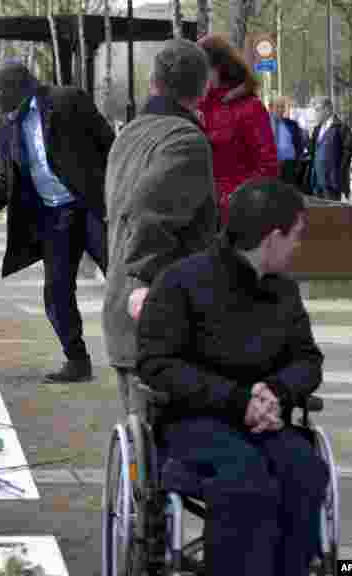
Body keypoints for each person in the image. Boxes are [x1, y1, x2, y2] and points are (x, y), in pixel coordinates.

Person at [136, 178, 328, 576]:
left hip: (266, 421)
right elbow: (157, 364)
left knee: (305, 471)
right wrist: (239, 399)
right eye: (296, 236)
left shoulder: (284, 291)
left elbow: (308, 360)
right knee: (246, 480)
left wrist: (275, 393)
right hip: (194, 420)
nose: (297, 246)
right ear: (273, 238)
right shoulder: (179, 282)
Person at [0, 58, 114, 383]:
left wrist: (116, 197)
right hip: (54, 215)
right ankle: (77, 360)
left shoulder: (67, 102)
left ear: (20, 86)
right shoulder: (7, 126)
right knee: (56, 292)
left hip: (91, 207)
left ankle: (148, 356)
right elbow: (8, 179)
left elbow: (110, 146)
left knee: (123, 279)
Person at [103, 39, 219, 412]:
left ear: (153, 83)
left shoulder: (129, 135)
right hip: (159, 321)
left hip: (127, 311)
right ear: (204, 89)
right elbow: (148, 216)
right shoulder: (185, 140)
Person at [197, 34, 278, 225]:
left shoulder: (250, 107)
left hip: (236, 216)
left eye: (202, 70)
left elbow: (268, 168)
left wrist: (230, 199)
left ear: (218, 68)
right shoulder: (198, 107)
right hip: (202, 218)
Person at [308, 97, 352, 202]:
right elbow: (312, 150)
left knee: (333, 214)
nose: (316, 113)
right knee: (318, 214)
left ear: (327, 110)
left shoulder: (341, 128)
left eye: (318, 110)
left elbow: (348, 152)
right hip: (317, 181)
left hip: (332, 183)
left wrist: (339, 173)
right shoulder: (317, 129)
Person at [270, 96, 306, 187]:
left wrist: (298, 163)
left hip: (289, 165)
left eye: (282, 107)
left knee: (288, 194)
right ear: (270, 108)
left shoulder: (292, 125)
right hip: (271, 165)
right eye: (277, 106)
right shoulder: (263, 125)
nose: (281, 109)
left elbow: (299, 146)